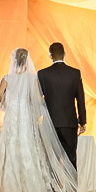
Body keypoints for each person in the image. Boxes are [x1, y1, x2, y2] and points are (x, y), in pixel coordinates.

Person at [0, 48, 93, 192]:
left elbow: (0, 93)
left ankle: (9, 190)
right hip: (27, 119)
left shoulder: (7, 78)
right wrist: (35, 111)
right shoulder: (32, 79)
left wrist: (6, 103)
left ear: (13, 61)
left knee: (11, 151)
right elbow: (36, 99)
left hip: (13, 118)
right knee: (29, 151)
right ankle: (36, 189)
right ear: (27, 61)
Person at [37, 42, 87, 172]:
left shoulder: (42, 74)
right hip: (69, 123)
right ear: (64, 54)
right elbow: (80, 99)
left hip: (49, 123)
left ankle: (53, 191)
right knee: (71, 159)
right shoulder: (75, 73)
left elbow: (36, 99)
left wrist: (37, 119)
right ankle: (72, 191)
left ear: (50, 56)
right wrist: (82, 121)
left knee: (50, 160)